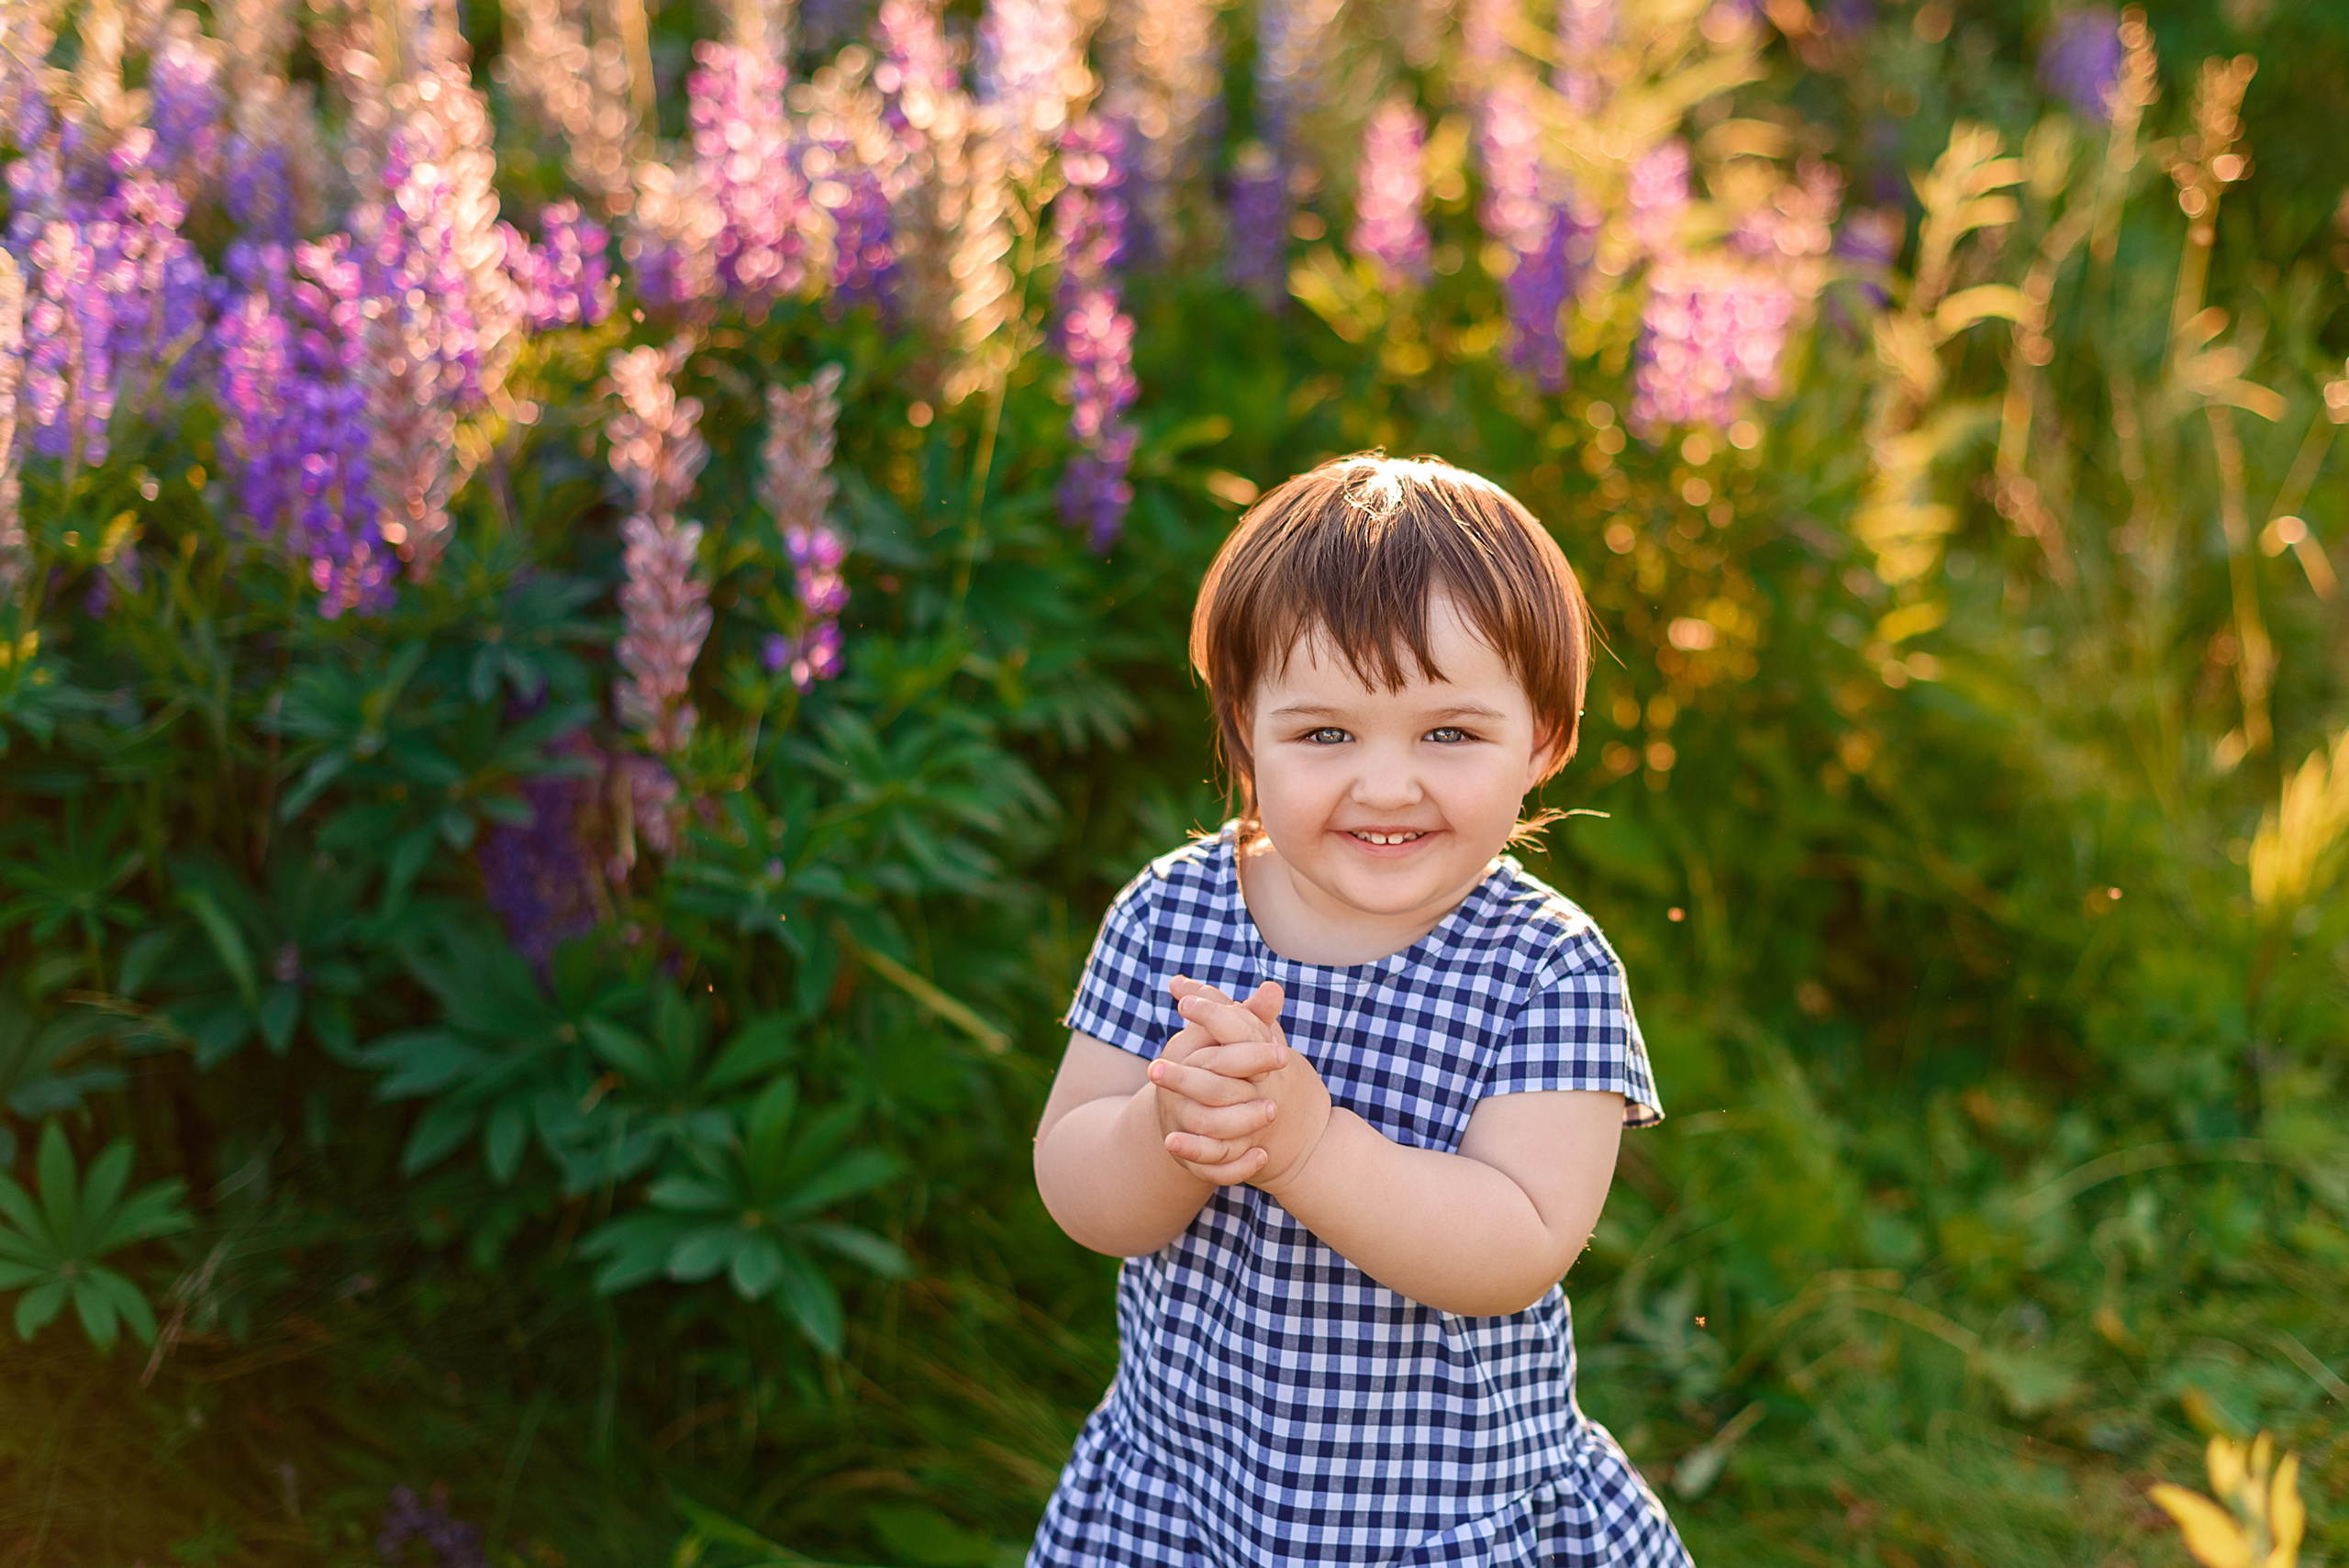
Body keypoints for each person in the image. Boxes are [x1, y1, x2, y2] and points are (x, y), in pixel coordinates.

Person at [1027, 453, 1692, 1567]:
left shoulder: (1546, 967)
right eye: (1326, 734)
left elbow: (1515, 1244)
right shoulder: (1172, 915)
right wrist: (1172, 1128)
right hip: (1183, 1504)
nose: (1386, 785)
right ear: (1245, 732)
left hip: (1439, 1522)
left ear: (1542, 739)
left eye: (1448, 733)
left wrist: (1305, 1144)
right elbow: (1081, 1191)